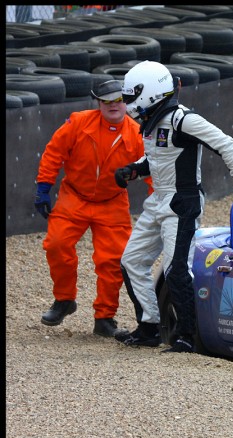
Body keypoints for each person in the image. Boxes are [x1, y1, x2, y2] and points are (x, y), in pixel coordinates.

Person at [114, 60, 233, 353]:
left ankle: (186, 336)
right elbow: (158, 160)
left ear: (150, 93)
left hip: (183, 202)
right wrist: (134, 169)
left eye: (131, 97)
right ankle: (149, 327)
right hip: (158, 200)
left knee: (176, 269)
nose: (127, 104)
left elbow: (225, 143)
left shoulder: (183, 120)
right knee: (131, 261)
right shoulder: (153, 123)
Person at [35, 79, 151, 337]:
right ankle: (64, 300)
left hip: (112, 202)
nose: (113, 105)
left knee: (112, 260)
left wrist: (161, 202)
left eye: (118, 100)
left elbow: (152, 169)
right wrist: (43, 187)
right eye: (106, 101)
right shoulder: (77, 122)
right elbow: (54, 152)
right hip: (73, 196)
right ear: (98, 103)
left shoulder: (137, 134)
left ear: (127, 103)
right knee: (56, 245)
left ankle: (105, 317)